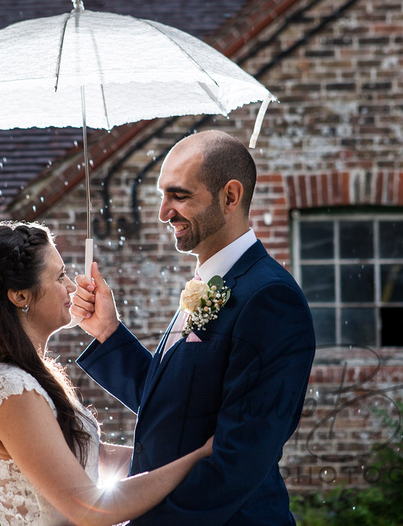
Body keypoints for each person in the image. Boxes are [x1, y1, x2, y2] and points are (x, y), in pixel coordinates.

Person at [72, 130, 316, 525]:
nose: (163, 212)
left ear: (230, 197)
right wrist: (108, 333)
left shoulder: (269, 299)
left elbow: (238, 459)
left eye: (179, 196)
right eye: (162, 195)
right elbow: (179, 406)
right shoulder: (209, 283)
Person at [0, 221, 213, 526]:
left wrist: (186, 450)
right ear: (20, 296)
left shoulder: (21, 375)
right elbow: (88, 508)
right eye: (59, 276)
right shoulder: (11, 391)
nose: (71, 286)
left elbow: (94, 457)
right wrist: (198, 459)